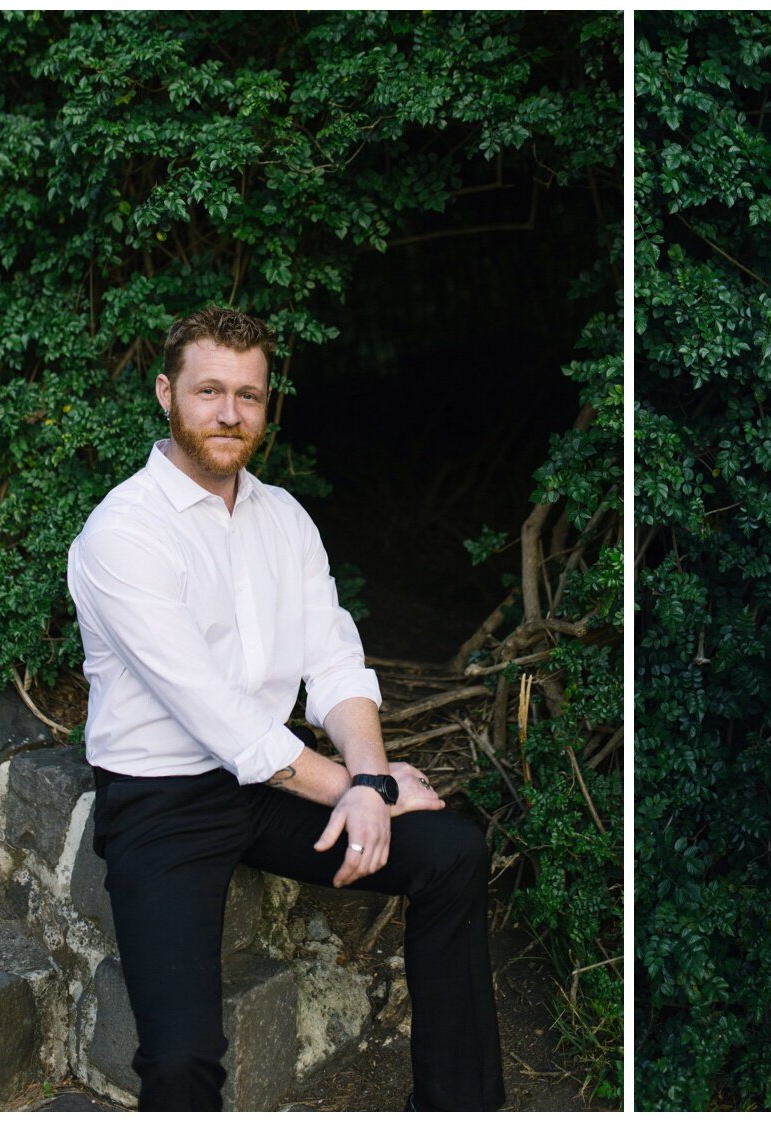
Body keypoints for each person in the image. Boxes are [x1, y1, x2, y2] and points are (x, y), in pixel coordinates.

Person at [67, 306, 504, 1112]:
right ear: (167, 394)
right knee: (179, 1063)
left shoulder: (285, 520)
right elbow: (216, 716)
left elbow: (334, 660)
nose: (230, 413)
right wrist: (353, 789)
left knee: (452, 854)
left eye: (249, 395)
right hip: (162, 803)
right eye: (208, 391)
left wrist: (371, 775)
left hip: (272, 787)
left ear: (267, 407)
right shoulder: (121, 534)